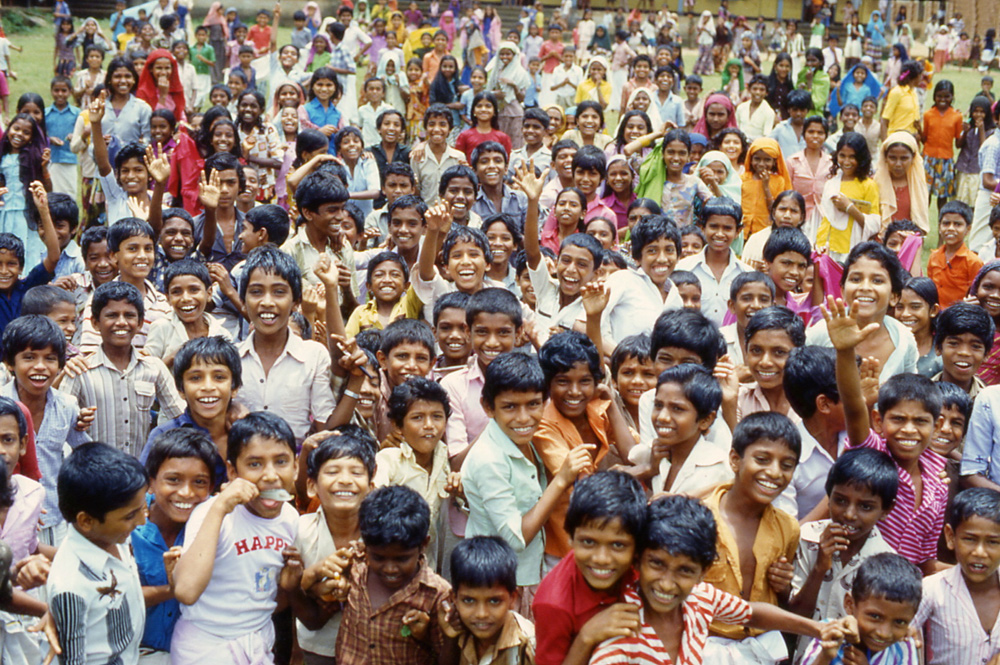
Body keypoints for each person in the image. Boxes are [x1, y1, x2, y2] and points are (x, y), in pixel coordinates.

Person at [589, 494, 834, 665]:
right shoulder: (619, 636)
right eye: (657, 564)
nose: (666, 583)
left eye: (684, 571)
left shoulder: (699, 599)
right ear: (637, 560)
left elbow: (752, 613)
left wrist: (818, 629)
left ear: (703, 573)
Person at [827, 294, 947, 572]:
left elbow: (926, 561)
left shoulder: (938, 482)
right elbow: (855, 407)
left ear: (937, 426)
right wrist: (845, 352)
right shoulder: (872, 453)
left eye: (920, 421)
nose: (908, 429)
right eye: (898, 419)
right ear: (879, 421)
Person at [171, 411, 300, 665]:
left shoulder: (290, 518)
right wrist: (220, 507)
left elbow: (267, 596)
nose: (270, 475)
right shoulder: (211, 513)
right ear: (232, 471)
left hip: (258, 642)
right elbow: (186, 591)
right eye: (254, 464)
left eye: (281, 462)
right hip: (205, 646)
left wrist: (290, 583)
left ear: (295, 467)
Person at [787, 447, 898, 660]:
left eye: (865, 506)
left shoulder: (886, 562)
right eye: (840, 500)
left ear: (886, 510)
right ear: (828, 497)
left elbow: (881, 632)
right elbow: (796, 617)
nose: (849, 514)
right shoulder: (807, 538)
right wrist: (820, 566)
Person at [46, 443, 148, 665]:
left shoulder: (114, 537)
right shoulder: (71, 586)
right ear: (86, 521)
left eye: (142, 509)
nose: (142, 521)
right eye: (131, 515)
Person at [532, 470, 645, 665]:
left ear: (638, 547)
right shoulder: (553, 603)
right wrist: (586, 638)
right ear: (570, 538)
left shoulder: (648, 569)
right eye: (588, 542)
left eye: (618, 545)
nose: (601, 559)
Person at [333, 485, 455, 664]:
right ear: (365, 545)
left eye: (402, 559)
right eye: (378, 557)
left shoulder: (437, 594)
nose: (390, 569)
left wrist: (424, 635)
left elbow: (446, 656)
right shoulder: (353, 568)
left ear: (423, 545)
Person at [62, 281, 185, 458]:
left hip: (138, 473)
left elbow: (180, 416)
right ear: (96, 323)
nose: (121, 322)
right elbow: (61, 421)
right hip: (92, 474)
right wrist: (77, 418)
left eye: (129, 315)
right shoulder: (81, 369)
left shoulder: (153, 367)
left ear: (140, 322)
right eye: (112, 315)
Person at [134, 428, 218, 661]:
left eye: (199, 482)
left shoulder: (215, 527)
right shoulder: (127, 528)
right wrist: (173, 590)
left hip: (195, 654)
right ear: (151, 482)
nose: (186, 492)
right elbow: (117, 595)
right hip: (135, 651)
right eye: (173, 480)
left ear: (211, 489)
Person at [912, 487, 1000, 664]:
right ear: (951, 537)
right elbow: (893, 633)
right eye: (969, 539)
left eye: (992, 542)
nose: (980, 552)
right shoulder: (931, 590)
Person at [798, 553, 922, 664]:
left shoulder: (903, 647)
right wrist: (825, 656)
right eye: (875, 616)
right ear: (850, 604)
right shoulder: (830, 633)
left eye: (899, 622)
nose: (883, 633)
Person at [448, 536, 534, 665]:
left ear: (512, 598)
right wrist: (450, 638)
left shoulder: (528, 645)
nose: (481, 614)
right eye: (469, 600)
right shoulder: (459, 630)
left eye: (494, 601)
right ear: (454, 598)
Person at [927, 201, 983, 308]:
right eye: (946, 223)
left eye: (958, 224)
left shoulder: (973, 261)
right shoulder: (934, 257)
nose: (951, 228)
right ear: (939, 227)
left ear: (968, 229)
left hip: (960, 316)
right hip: (936, 313)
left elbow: (976, 295)